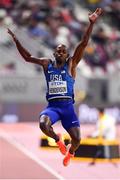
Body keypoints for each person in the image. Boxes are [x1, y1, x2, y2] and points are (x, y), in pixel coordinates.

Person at [8, 8, 102, 166]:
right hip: (53, 107)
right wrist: (17, 41)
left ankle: (70, 153)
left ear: (67, 55)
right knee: (43, 124)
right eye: (58, 51)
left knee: (77, 140)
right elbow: (27, 57)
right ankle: (58, 140)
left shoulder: (71, 64)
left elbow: (84, 43)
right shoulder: (47, 64)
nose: (61, 53)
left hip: (67, 109)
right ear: (54, 54)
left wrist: (91, 23)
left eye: (64, 51)